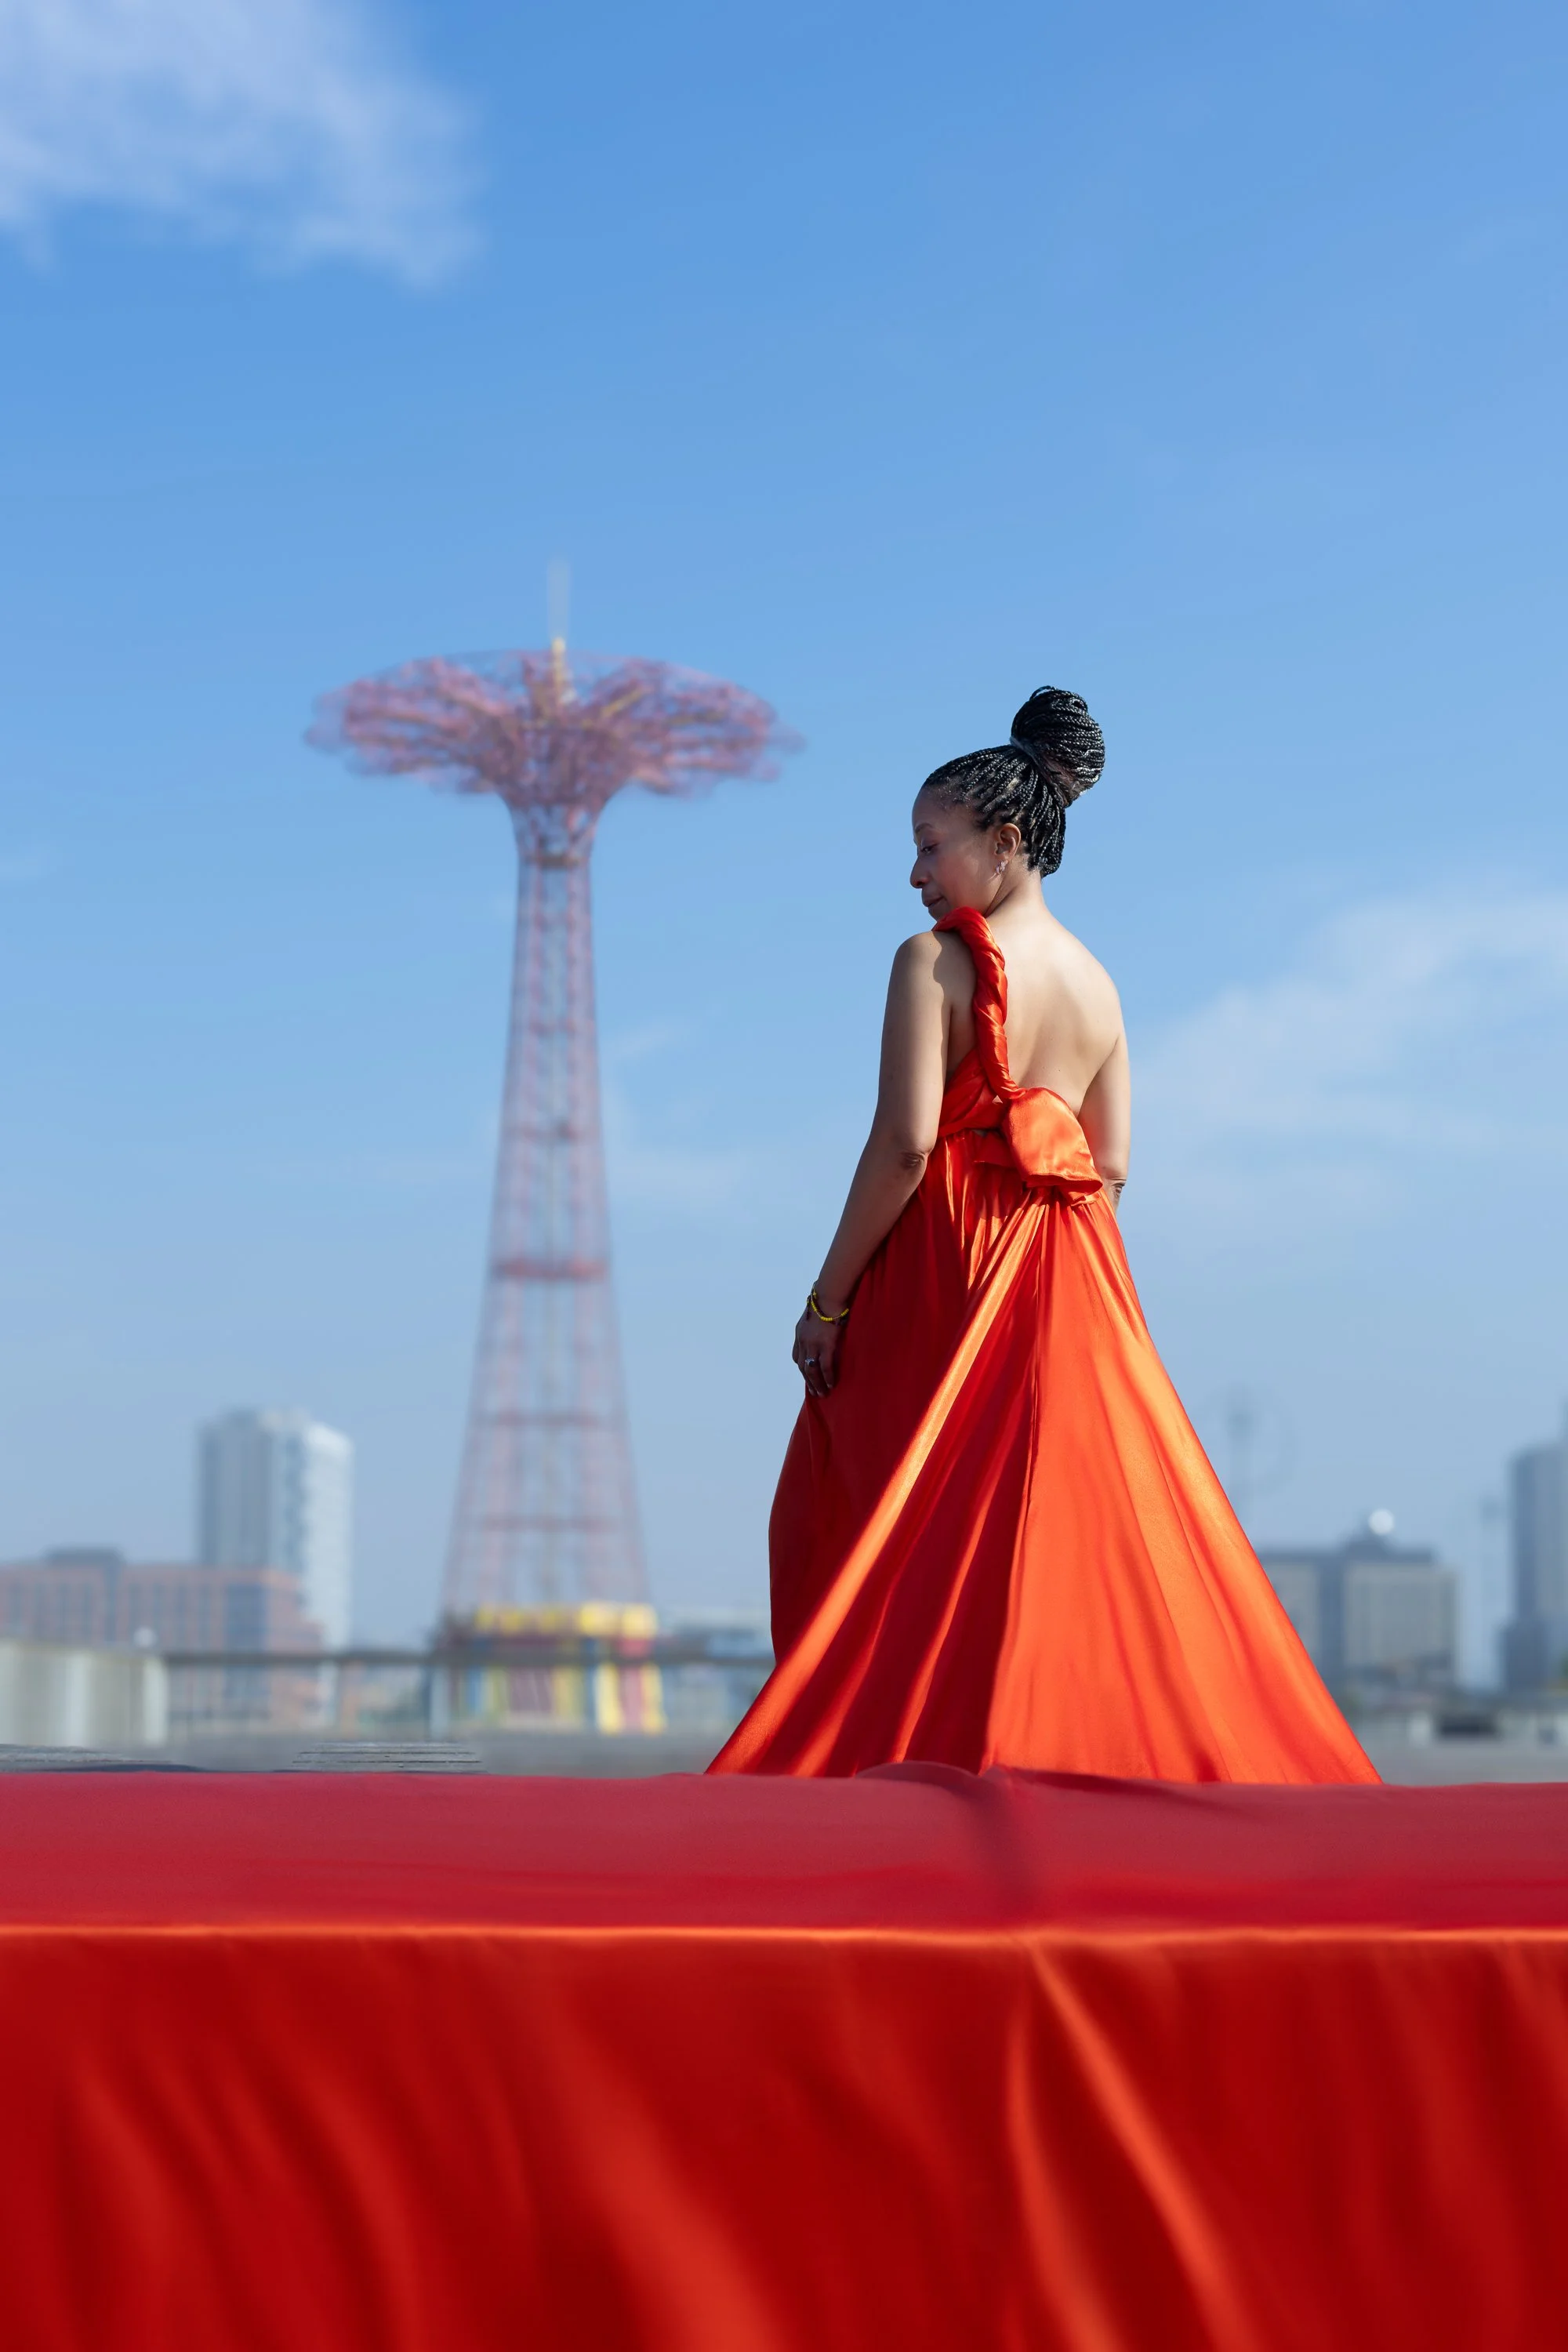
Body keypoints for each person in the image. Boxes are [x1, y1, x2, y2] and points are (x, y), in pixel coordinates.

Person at [710, 688, 1375, 1784]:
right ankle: (1038, 1754)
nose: (917, 875)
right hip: (1071, 1265)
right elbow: (1110, 1167)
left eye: (931, 847)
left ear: (1005, 842)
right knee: (1038, 1522)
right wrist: (1055, 1270)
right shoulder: (1104, 987)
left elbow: (906, 1146)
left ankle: (904, 1758)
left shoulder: (931, 963)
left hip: (946, 1256)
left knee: (901, 1507)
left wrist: (826, 1302)